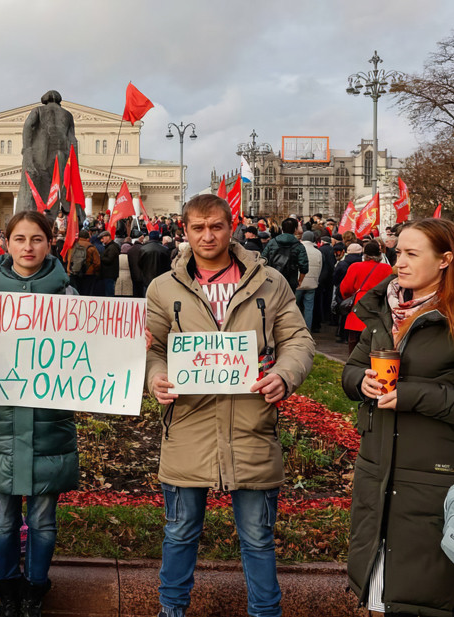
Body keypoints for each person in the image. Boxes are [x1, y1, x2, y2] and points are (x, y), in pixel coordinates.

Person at [147, 195, 315, 617]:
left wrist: (285, 375)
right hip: (187, 428)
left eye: (216, 226)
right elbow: (152, 348)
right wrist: (155, 376)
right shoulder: (163, 288)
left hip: (252, 429)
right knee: (180, 532)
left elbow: (298, 340)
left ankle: (265, 613)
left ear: (231, 227)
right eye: (198, 228)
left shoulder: (270, 282)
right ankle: (171, 610)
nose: (208, 236)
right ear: (185, 231)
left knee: (258, 538)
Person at [0, 211, 80, 617]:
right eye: (20, 239)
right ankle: (7, 590)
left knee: (43, 520)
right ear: (5, 243)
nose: (28, 247)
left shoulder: (68, 296)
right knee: (4, 521)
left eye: (37, 239)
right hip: (1, 423)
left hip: (49, 423)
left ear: (50, 243)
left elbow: (90, 356)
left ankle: (35, 591)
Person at [341, 218, 454, 616]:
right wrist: (362, 382)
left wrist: (410, 395)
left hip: (433, 477)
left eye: (411, 254)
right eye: (397, 252)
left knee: (424, 596)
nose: (399, 263)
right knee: (378, 597)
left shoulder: (448, 317)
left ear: (445, 260)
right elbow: (351, 370)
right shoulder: (385, 309)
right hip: (378, 472)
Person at [340, 241, 393, 355]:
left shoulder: (355, 266)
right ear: (379, 254)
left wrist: (348, 297)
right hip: (378, 305)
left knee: (354, 339)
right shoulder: (387, 269)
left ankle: (353, 360)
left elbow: (345, 288)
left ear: (365, 254)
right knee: (375, 339)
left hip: (359, 303)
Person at [261, 217, 308, 292]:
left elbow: (263, 259)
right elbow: (304, 266)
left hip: (272, 278)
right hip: (290, 281)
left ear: (282, 229)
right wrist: (300, 281)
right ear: (295, 229)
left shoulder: (272, 242)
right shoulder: (299, 246)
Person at [295, 231, 323, 329]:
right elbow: (320, 268)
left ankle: (295, 329)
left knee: (294, 307)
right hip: (312, 284)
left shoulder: (298, 249)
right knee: (309, 308)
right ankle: (307, 330)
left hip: (299, 283)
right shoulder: (318, 252)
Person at [67, 229, 100, 295]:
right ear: (88, 238)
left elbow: (69, 259)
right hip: (88, 274)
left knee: (76, 292)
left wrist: (69, 270)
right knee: (86, 293)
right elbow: (97, 263)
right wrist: (96, 273)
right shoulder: (91, 247)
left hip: (75, 272)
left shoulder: (73, 246)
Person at [139, 230, 172, 295]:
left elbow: (139, 263)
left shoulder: (143, 249)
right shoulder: (164, 249)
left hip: (147, 278)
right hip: (160, 279)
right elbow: (168, 265)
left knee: (147, 296)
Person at [98, 231, 121, 297]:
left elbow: (109, 260)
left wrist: (100, 257)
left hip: (109, 274)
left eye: (102, 238)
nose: (101, 240)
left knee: (109, 294)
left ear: (108, 237)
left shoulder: (112, 247)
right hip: (109, 274)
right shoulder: (110, 247)